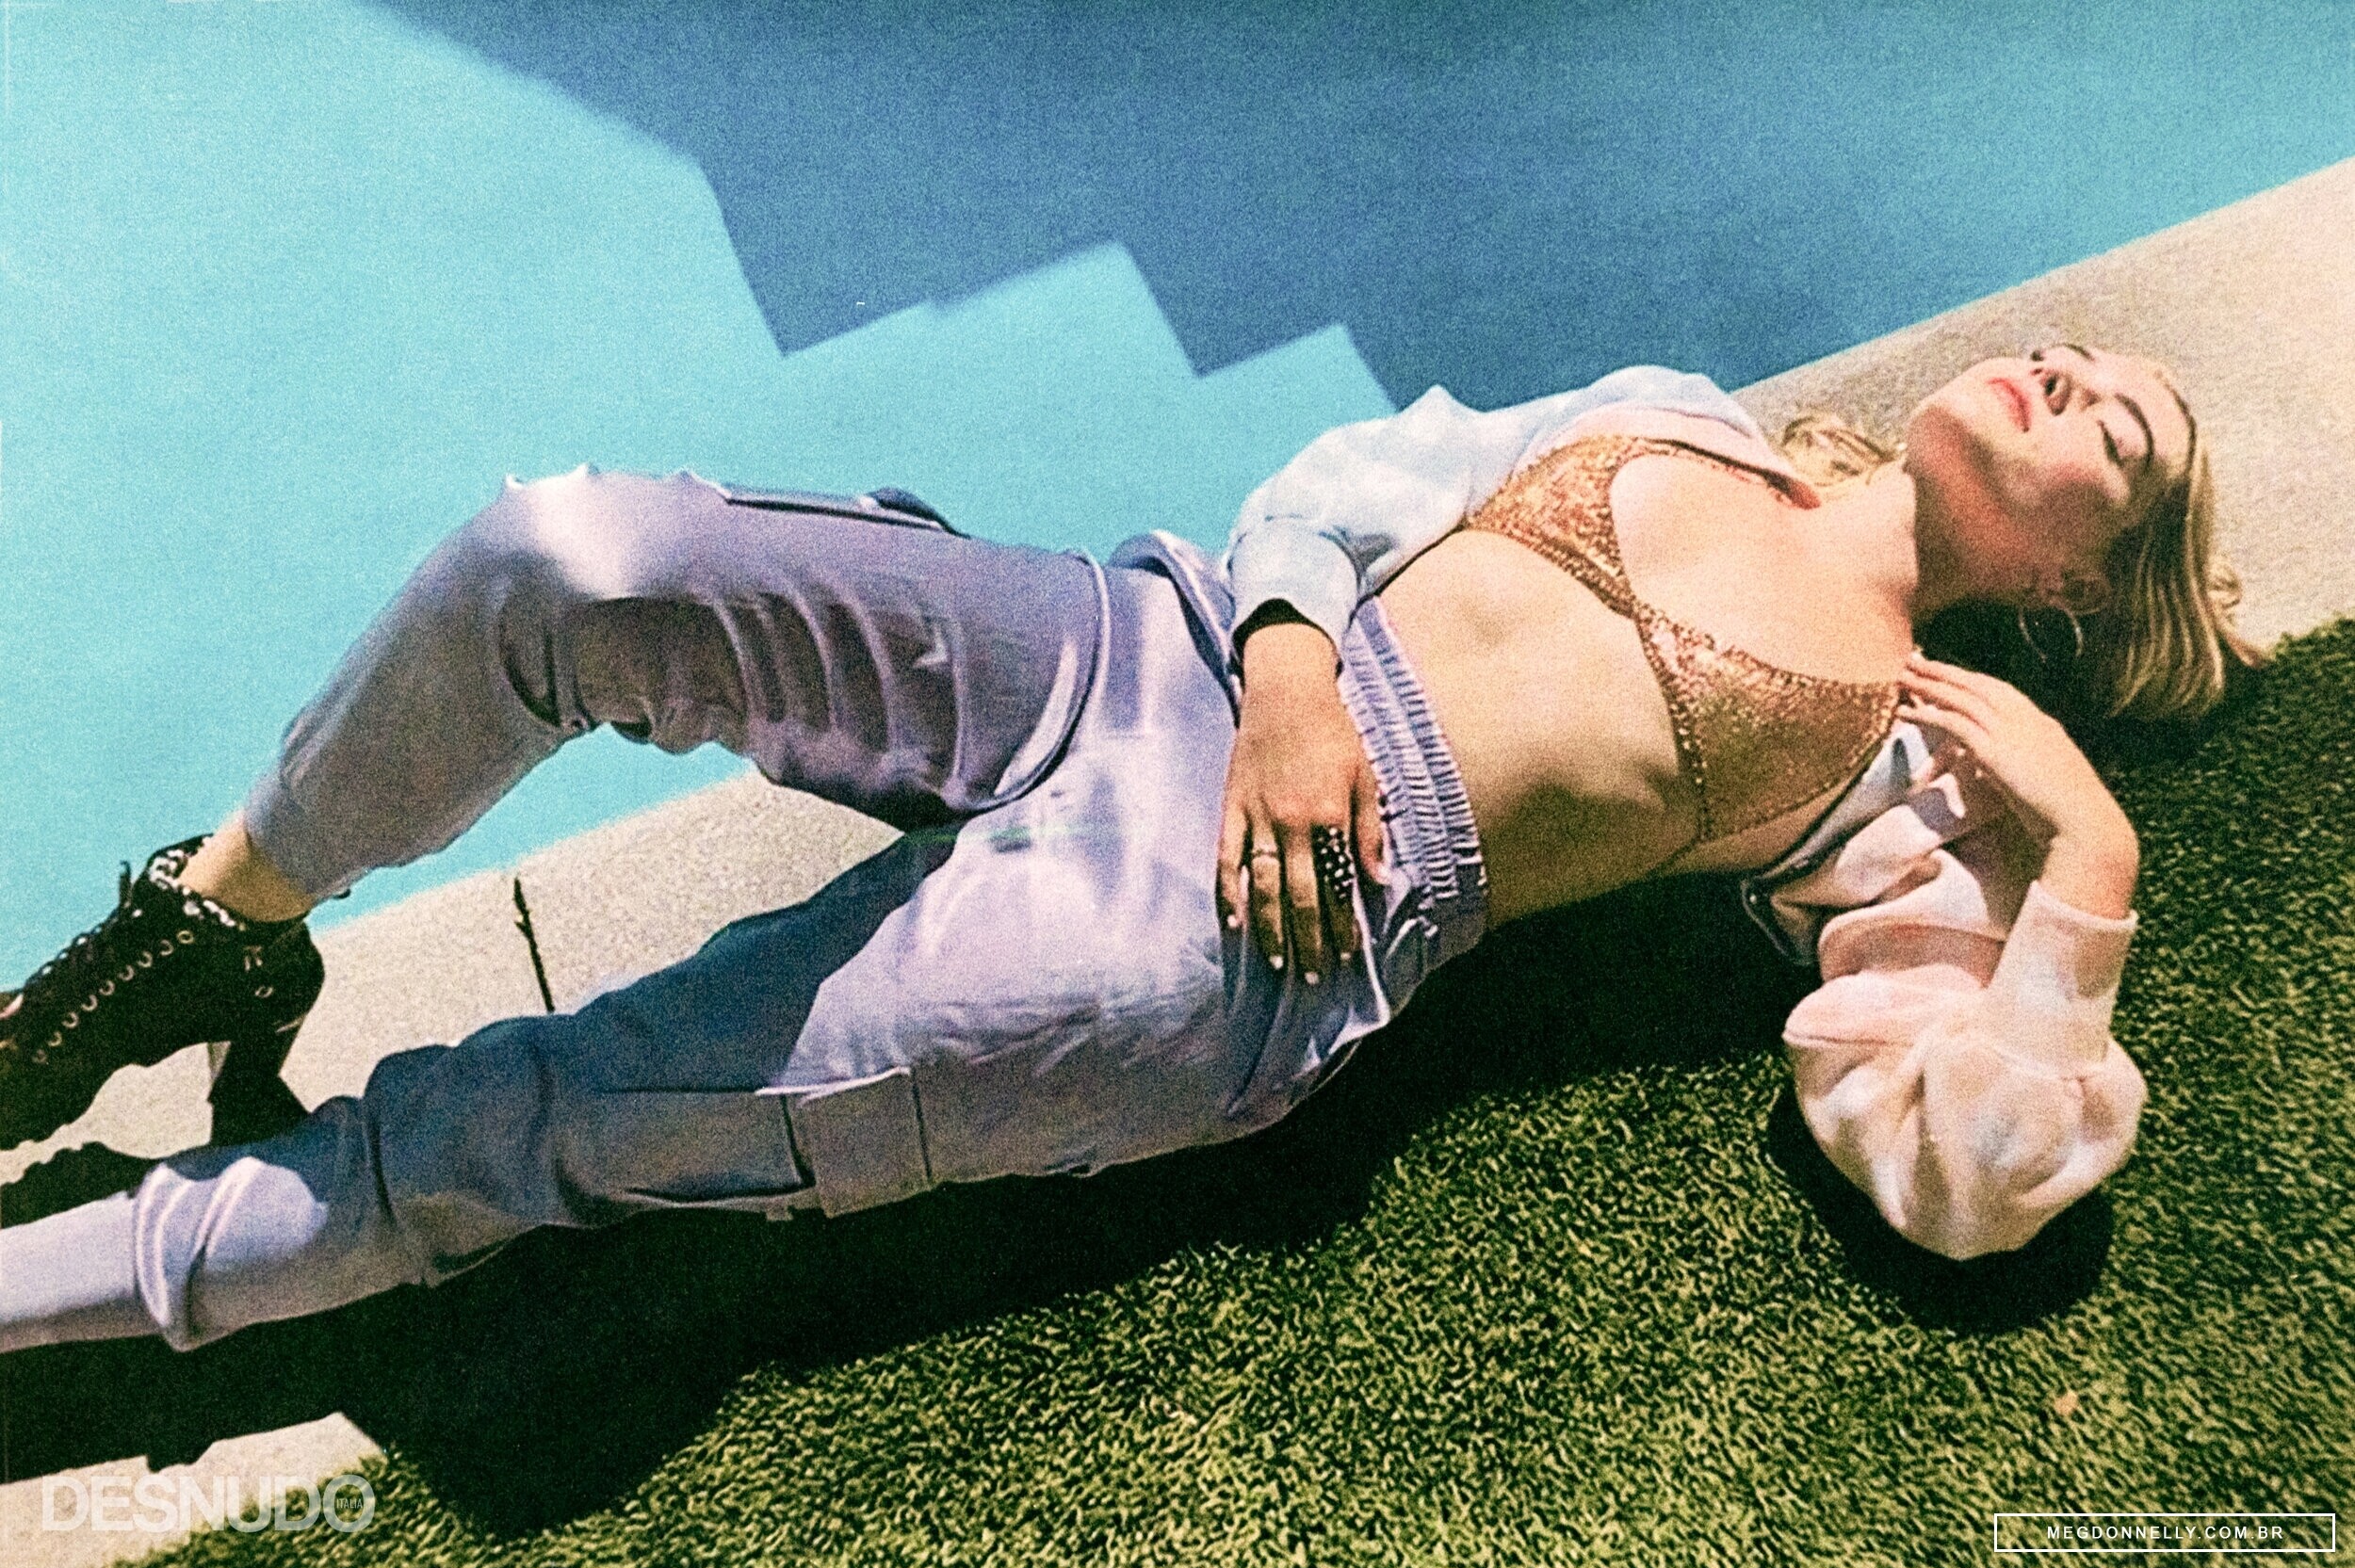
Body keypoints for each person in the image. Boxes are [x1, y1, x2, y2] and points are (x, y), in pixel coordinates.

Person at [0, 347, 2264, 1356]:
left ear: (2079, 579)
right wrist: (1283, 668)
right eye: (2074, 355)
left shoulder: (1909, 768)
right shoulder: (1679, 414)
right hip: (1137, 646)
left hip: (1232, 936)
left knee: (552, 1115)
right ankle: (216, 921)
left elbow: (1962, 1176)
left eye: (2118, 430)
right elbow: (1356, 479)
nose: (2066, 374)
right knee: (570, 562)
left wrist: (2083, 875)